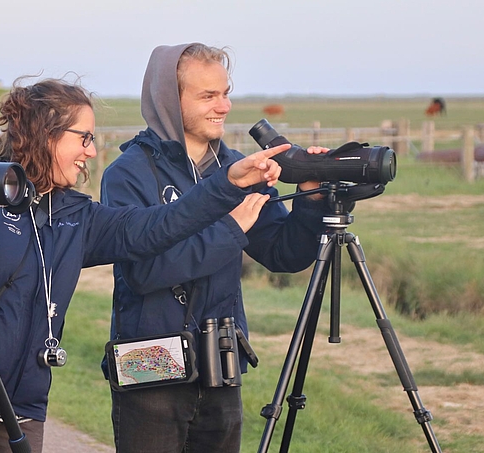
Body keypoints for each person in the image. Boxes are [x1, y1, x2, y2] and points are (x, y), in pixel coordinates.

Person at [0, 76, 286, 453]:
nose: (91, 150)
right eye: (83, 137)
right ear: (46, 134)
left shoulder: (79, 217)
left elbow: (157, 227)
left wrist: (226, 183)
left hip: (23, 407)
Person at [99, 43, 329, 452]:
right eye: (208, 95)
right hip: (148, 363)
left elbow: (284, 254)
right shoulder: (127, 174)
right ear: (170, 99)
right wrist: (229, 229)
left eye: (226, 92)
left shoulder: (237, 167)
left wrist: (310, 200)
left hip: (220, 361)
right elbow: (144, 272)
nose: (223, 106)